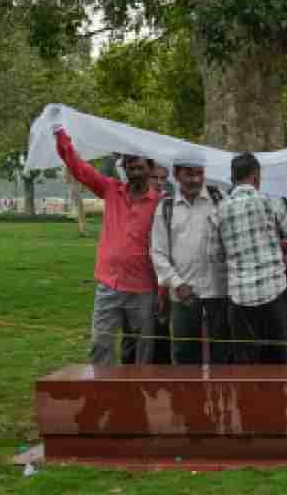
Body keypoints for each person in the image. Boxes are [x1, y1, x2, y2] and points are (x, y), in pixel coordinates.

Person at [53, 125, 162, 365]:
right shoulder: (111, 190)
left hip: (143, 288)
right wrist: (60, 135)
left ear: (150, 169)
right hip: (109, 285)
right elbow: (80, 169)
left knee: (143, 349)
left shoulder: (161, 203)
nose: (135, 172)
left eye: (140, 167)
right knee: (100, 345)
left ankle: (140, 394)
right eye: (130, 167)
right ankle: (102, 395)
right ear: (124, 169)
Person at [209, 152, 287, 365]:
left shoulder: (218, 211)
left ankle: (251, 399)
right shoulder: (273, 204)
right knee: (282, 362)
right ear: (255, 176)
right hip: (274, 295)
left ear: (233, 178)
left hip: (239, 299)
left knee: (247, 365)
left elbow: (214, 256)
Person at [150, 154, 230, 365]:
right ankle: (188, 398)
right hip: (183, 295)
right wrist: (177, 283)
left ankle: (221, 398)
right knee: (185, 357)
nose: (195, 179)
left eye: (199, 173)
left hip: (219, 292)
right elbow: (158, 253)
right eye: (188, 174)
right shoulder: (165, 208)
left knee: (222, 357)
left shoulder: (220, 200)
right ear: (176, 174)